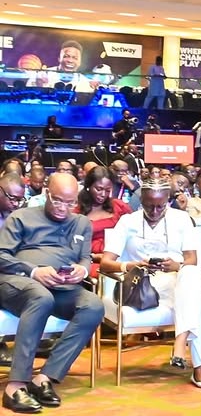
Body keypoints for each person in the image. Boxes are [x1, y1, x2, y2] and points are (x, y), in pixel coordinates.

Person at [100, 179, 201, 389]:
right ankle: (199, 367)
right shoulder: (128, 222)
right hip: (145, 284)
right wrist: (132, 265)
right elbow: (105, 263)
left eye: (160, 206)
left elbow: (192, 259)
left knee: (191, 273)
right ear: (141, 201)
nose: (155, 211)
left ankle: (180, 343)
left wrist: (176, 265)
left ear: (168, 201)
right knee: (197, 299)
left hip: (178, 279)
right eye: (149, 206)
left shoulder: (182, 219)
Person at [0, 173, 104, 412]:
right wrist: (34, 271)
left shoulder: (81, 223)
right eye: (57, 200)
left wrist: (81, 271)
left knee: (93, 306)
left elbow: (85, 257)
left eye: (70, 203)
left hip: (62, 286)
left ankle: (44, 378)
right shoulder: (21, 217)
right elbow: (1, 255)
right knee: (41, 297)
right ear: (47, 193)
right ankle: (15, 386)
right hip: (19, 282)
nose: (63, 208)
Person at [73, 166, 132, 279]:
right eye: (99, 189)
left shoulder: (119, 207)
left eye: (108, 190)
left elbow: (133, 232)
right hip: (89, 260)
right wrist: (95, 257)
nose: (103, 194)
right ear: (88, 186)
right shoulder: (76, 212)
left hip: (118, 257)